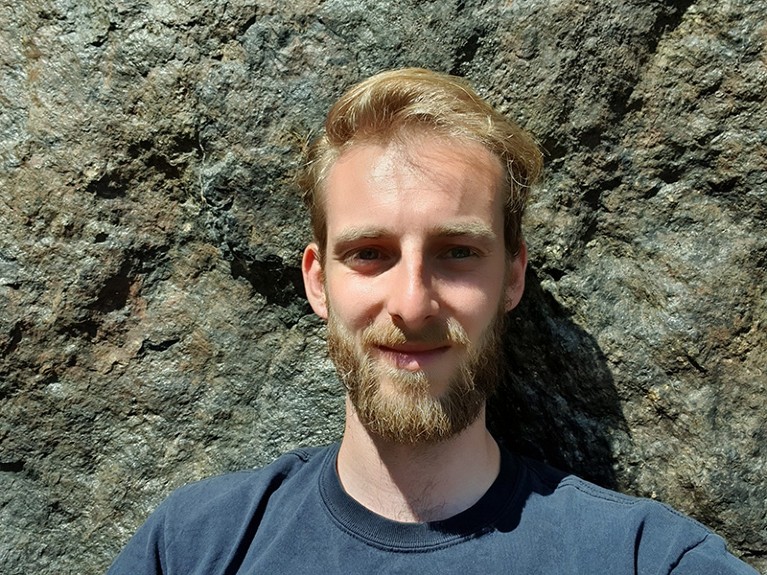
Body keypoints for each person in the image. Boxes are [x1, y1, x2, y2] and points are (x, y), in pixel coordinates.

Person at [107, 68, 757, 574]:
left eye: (456, 252)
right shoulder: (193, 548)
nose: (412, 304)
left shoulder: (642, 557)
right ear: (316, 280)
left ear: (510, 275)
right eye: (370, 254)